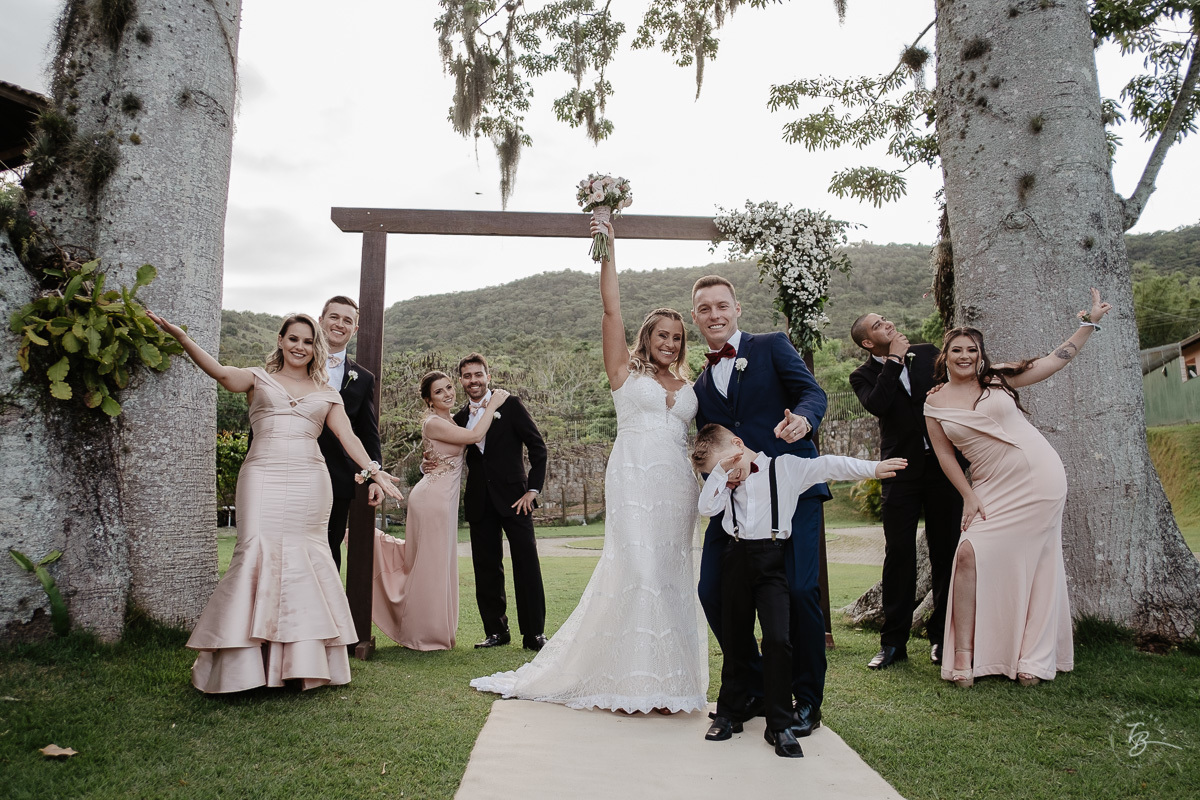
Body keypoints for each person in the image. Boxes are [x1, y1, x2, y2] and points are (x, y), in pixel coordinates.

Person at [471, 218, 708, 713]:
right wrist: (608, 245)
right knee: (638, 569)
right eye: (662, 334)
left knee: (670, 574)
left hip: (677, 489)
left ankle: (674, 684)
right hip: (633, 478)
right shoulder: (624, 370)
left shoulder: (691, 385)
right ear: (646, 337)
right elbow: (611, 308)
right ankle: (633, 683)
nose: (670, 342)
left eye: (678, 337)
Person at [147, 310, 403, 693]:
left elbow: (349, 438)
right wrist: (182, 338)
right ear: (281, 341)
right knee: (253, 550)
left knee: (306, 559)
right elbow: (218, 372)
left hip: (309, 480)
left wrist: (374, 470)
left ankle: (302, 664)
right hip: (262, 474)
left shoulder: (327, 393)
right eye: (293, 338)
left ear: (315, 348)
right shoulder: (257, 378)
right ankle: (243, 667)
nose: (299, 346)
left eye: (306, 341)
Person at [923, 288, 1112, 688]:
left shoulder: (998, 379)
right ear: (946, 356)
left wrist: (1088, 324)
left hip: (1039, 478)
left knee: (1041, 565)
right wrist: (969, 496)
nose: (965, 356)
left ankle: (1033, 658)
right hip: (990, 486)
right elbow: (944, 457)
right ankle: (964, 658)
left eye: (972, 350)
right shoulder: (934, 403)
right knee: (970, 555)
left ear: (980, 355)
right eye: (957, 350)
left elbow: (1053, 362)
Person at [693, 423, 906, 757]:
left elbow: (829, 465)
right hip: (735, 559)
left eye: (729, 465)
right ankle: (729, 712)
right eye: (720, 471)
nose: (730, 475)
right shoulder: (724, 484)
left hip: (772, 561)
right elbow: (707, 508)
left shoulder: (785, 468)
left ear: (739, 444)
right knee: (735, 638)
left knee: (779, 639)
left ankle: (779, 725)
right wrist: (720, 475)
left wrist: (874, 469)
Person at [691, 275, 828, 737]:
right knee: (711, 591)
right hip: (735, 507)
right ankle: (751, 685)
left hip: (791, 492)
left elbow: (812, 393)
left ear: (737, 309)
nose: (715, 314)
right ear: (696, 317)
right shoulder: (701, 382)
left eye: (721, 305)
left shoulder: (771, 345)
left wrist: (804, 420)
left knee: (802, 592)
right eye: (705, 308)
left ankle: (805, 700)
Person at [849, 314, 964, 669]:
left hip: (944, 468)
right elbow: (878, 404)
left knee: (946, 551)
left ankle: (942, 638)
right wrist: (895, 359)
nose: (888, 324)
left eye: (886, 319)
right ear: (868, 343)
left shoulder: (930, 353)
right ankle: (893, 643)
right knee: (898, 553)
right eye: (878, 325)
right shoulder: (863, 375)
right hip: (899, 469)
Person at [373, 373, 508, 650]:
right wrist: (493, 404)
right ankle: (423, 633)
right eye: (439, 392)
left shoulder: (450, 420)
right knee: (429, 565)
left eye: (449, 388)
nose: (448, 394)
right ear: (429, 400)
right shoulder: (434, 422)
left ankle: (432, 629)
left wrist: (427, 462)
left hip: (443, 498)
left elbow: (443, 453)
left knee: (436, 564)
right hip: (432, 499)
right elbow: (473, 436)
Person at [453, 353, 549, 650]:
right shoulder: (458, 419)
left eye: (478, 374)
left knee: (527, 564)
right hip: (480, 501)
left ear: (488, 376)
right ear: (461, 381)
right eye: (467, 376)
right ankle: (496, 631)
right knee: (486, 568)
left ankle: (533, 634)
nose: (473, 381)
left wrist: (533, 490)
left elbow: (538, 447)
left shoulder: (511, 405)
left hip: (515, 498)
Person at [316, 296, 383, 572]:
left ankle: (327, 614)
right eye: (334, 317)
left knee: (329, 550)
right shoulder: (295, 361)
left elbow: (368, 432)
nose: (339, 324)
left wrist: (375, 476)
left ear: (354, 329)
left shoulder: (363, 377)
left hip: (338, 477)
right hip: (291, 469)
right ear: (321, 320)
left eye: (347, 320)